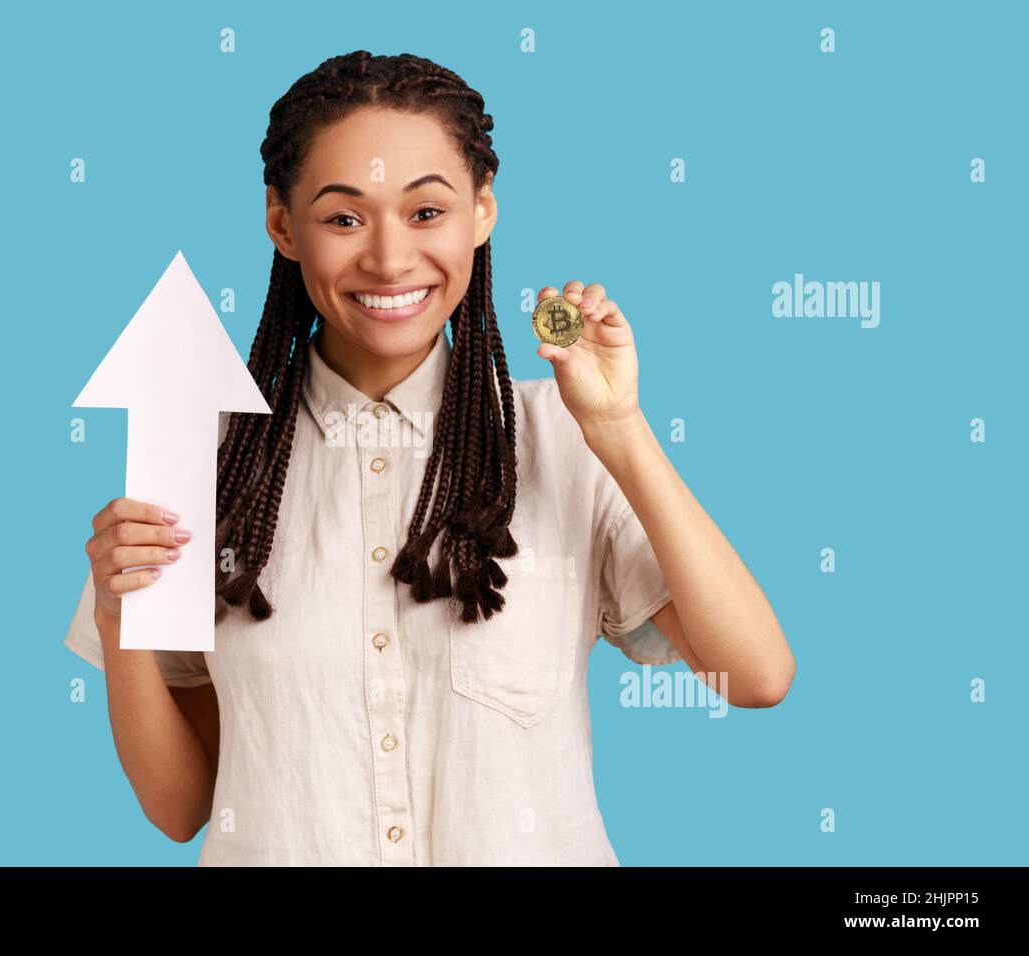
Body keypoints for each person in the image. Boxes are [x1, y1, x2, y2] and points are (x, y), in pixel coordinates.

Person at [65, 50, 795, 866]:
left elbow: (756, 675)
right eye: (344, 218)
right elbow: (181, 806)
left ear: (482, 211)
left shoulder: (563, 437)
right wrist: (116, 618)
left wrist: (619, 427)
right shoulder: (202, 461)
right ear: (281, 224)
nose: (387, 259)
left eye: (425, 213)